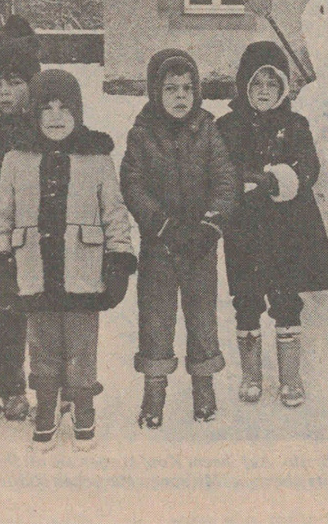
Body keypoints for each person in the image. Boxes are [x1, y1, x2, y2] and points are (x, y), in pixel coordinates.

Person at [0, 69, 136, 451]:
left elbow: (115, 214)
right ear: (34, 114)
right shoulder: (16, 158)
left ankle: (83, 406)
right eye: (47, 109)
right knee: (43, 347)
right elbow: (2, 215)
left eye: (64, 108)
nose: (56, 117)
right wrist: (1, 262)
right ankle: (47, 406)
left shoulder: (97, 158)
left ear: (79, 112)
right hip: (34, 270)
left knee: (81, 347)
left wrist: (119, 260)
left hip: (83, 269)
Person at [120, 50, 238, 427]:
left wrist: (209, 225)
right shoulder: (141, 134)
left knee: (202, 316)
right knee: (156, 317)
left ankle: (204, 387)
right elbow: (133, 184)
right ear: (156, 92)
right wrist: (161, 224)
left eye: (187, 88)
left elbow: (225, 180)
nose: (180, 96)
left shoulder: (208, 130)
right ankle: (154, 393)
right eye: (171, 89)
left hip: (200, 245)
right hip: (160, 245)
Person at [217, 42, 328, 408]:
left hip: (288, 229)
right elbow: (221, 171)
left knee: (286, 298)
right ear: (244, 87)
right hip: (244, 231)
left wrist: (280, 179)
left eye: (272, 83)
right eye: (257, 84)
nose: (264, 91)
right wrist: (249, 179)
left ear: (284, 87)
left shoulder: (295, 125)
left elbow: (309, 168)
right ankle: (251, 376)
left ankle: (290, 377)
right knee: (247, 299)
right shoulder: (227, 127)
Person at [0, 16, 41, 421]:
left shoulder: (49, 126)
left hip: (45, 237)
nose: (4, 93)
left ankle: (55, 385)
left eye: (14, 83)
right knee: (12, 314)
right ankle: (13, 390)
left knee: (52, 314)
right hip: (5, 242)